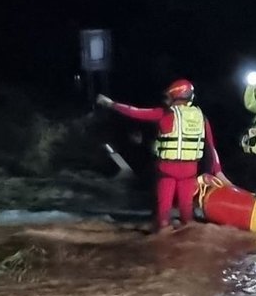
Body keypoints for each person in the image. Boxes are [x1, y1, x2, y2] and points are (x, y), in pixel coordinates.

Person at [96, 79, 231, 232]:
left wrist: (111, 104)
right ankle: (189, 238)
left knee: (163, 213)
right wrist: (218, 172)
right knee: (187, 212)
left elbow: (134, 112)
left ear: (174, 96)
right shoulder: (202, 117)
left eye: (168, 97)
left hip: (167, 170)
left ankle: (162, 236)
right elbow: (210, 147)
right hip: (189, 171)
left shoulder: (165, 114)